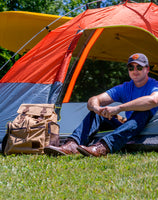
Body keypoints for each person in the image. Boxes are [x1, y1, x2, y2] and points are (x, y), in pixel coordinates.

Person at [44, 53, 158, 157]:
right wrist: (97, 108)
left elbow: (153, 101)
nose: (135, 70)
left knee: (143, 112)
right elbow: (94, 99)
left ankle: (103, 147)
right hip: (129, 128)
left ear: (147, 69)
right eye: (131, 68)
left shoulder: (154, 85)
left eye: (139, 67)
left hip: (148, 129)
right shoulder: (125, 87)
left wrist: (119, 108)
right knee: (97, 113)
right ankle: (72, 144)